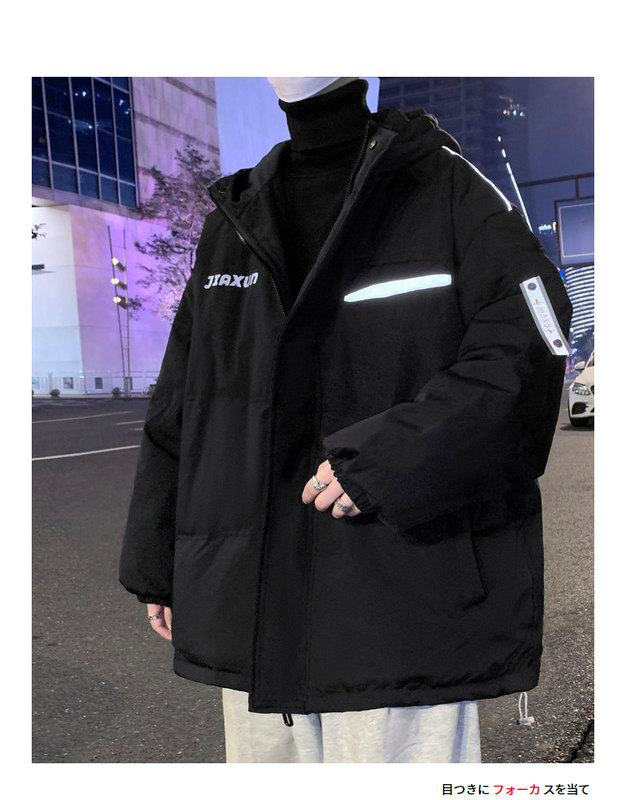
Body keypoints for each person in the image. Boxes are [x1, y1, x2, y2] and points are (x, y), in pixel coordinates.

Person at [119, 77, 573, 763]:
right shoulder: (235, 218)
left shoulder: (449, 192)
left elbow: (532, 341)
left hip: (400, 598)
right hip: (255, 601)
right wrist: (158, 560)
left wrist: (389, 460)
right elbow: (185, 396)